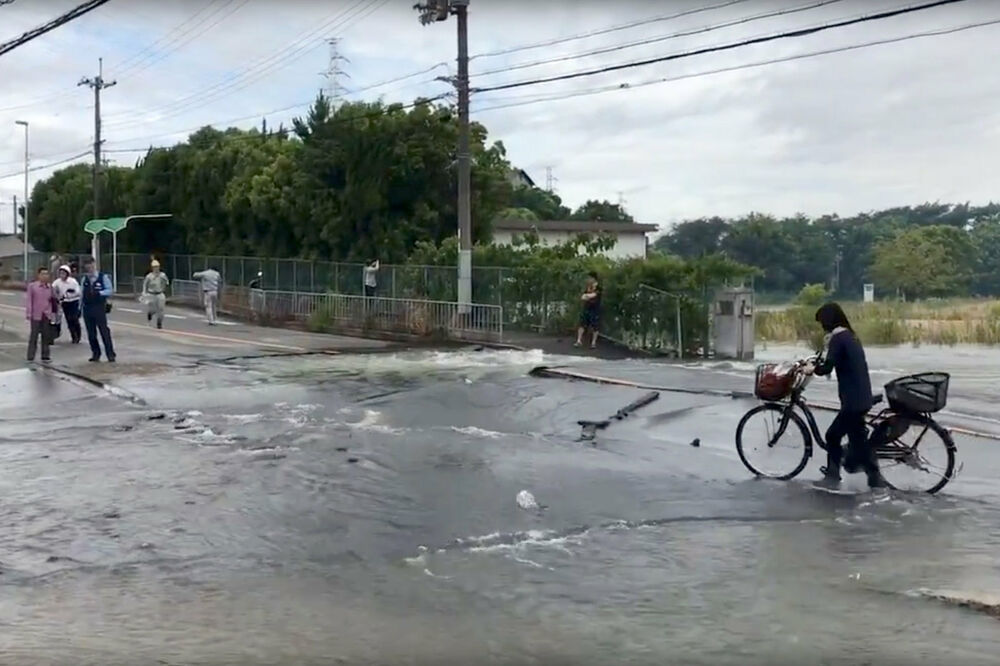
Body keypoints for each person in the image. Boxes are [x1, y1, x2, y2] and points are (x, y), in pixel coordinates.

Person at [804, 302, 884, 490]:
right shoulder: (850, 335)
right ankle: (874, 477)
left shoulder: (838, 339)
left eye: (822, 323)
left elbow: (827, 368)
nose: (822, 327)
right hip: (861, 395)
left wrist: (812, 369)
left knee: (832, 436)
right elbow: (836, 360)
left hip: (853, 400)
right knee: (858, 439)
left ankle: (833, 475)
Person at [80, 257, 116, 363]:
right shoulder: (84, 279)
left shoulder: (102, 277)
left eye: (90, 264)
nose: (89, 267)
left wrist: (100, 293)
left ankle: (110, 354)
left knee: (104, 331)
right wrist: (79, 308)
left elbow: (110, 290)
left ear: (94, 264)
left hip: (99, 307)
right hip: (87, 308)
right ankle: (96, 353)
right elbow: (81, 294)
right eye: (87, 265)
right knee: (91, 333)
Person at [25, 267, 56, 363]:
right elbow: (29, 300)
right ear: (38, 275)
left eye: (46, 274)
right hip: (36, 314)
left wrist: (52, 314)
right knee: (34, 336)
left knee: (46, 336)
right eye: (42, 274)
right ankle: (30, 356)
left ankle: (45, 355)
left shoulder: (50, 287)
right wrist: (29, 313)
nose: (45, 276)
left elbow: (52, 301)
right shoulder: (32, 286)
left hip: (46, 314)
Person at [52, 264, 82, 344]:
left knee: (74, 318)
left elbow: (78, 292)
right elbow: (52, 289)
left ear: (67, 274)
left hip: (74, 301)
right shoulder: (57, 282)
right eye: (60, 273)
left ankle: (78, 334)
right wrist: (56, 296)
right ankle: (73, 336)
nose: (62, 275)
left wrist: (69, 294)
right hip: (65, 303)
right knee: (69, 319)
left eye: (64, 273)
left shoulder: (72, 281)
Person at [574, 271, 602, 349]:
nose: (588, 279)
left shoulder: (598, 287)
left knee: (595, 326)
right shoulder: (588, 287)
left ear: (593, 278)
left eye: (589, 278)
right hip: (587, 308)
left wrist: (587, 296)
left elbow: (594, 295)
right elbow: (583, 296)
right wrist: (586, 296)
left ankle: (593, 343)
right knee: (582, 323)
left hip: (595, 309)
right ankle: (579, 340)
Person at [142, 259, 170, 329]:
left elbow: (167, 282)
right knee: (153, 309)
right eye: (155, 267)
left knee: (161, 309)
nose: (156, 268)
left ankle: (159, 323)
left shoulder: (162, 275)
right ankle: (150, 315)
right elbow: (145, 284)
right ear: (152, 268)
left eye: (157, 267)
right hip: (151, 294)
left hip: (160, 293)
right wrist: (144, 293)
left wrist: (165, 281)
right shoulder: (149, 276)